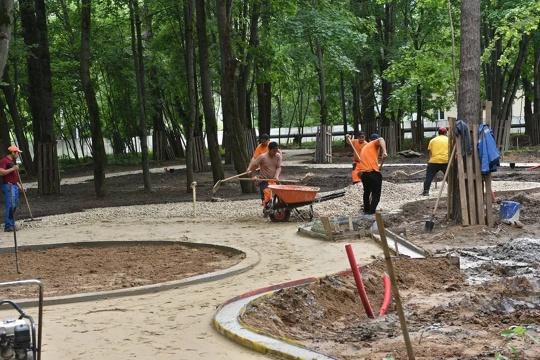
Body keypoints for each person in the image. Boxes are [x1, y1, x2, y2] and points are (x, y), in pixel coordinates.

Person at [357, 134, 387, 215]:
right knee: (376, 193)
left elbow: (369, 161)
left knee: (366, 192)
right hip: (373, 173)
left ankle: (366, 210)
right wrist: (384, 151)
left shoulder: (366, 148)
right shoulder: (374, 143)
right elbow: (381, 139)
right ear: (374, 140)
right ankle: (371, 211)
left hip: (365, 174)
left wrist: (377, 167)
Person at [249, 141, 282, 216]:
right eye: (274, 150)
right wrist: (253, 176)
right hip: (264, 180)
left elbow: (279, 167)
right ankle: (267, 209)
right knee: (267, 194)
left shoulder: (278, 156)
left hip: (274, 179)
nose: (275, 152)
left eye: (276, 150)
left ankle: (280, 208)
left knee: (281, 193)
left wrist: (276, 176)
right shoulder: (263, 157)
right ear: (269, 149)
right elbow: (253, 165)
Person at [0, 145, 25, 232]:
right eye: (17, 152)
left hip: (14, 185)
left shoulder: (11, 162)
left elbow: (13, 178)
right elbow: (1, 172)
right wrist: (12, 169)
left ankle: (11, 223)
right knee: (10, 205)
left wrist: (20, 186)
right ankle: (8, 225)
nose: (18, 154)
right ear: (13, 152)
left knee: (14, 205)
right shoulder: (4, 161)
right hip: (8, 186)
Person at [422, 127, 449, 196]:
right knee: (449, 177)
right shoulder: (449, 140)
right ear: (445, 133)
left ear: (438, 132)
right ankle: (452, 191)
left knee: (429, 177)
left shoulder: (432, 140)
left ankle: (426, 191)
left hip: (434, 161)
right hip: (446, 161)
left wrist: (431, 161)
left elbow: (430, 152)